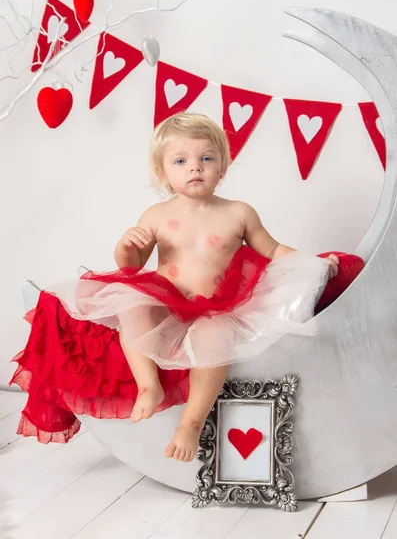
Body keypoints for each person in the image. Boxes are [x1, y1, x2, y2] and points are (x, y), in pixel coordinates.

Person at [104, 112, 339, 463]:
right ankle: (147, 384)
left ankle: (192, 422)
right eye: (181, 161)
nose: (195, 168)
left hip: (218, 307)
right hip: (169, 303)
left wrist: (312, 263)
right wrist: (126, 245)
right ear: (162, 173)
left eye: (206, 159)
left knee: (213, 339)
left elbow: (273, 250)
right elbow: (131, 268)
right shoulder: (155, 215)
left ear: (222, 167)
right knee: (131, 304)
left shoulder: (238, 212)